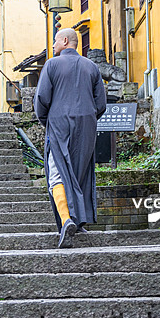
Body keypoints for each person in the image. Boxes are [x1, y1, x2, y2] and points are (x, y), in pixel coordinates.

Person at [34, 28, 107, 248]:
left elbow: (41, 100)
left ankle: (66, 220)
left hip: (58, 122)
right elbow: (101, 104)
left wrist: (48, 121)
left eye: (56, 41)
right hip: (87, 123)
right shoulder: (91, 67)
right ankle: (79, 220)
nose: (54, 46)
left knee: (57, 170)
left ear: (65, 41)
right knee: (80, 172)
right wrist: (88, 118)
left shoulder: (52, 65)